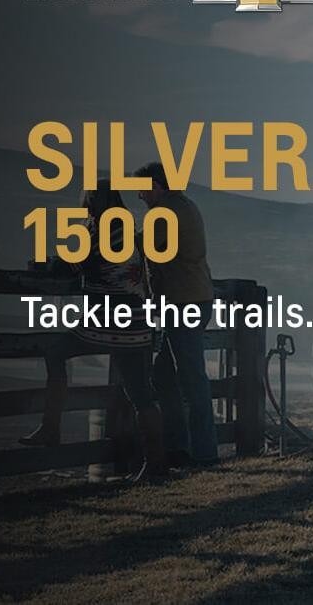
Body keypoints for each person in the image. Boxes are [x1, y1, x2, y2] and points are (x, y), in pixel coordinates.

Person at [20, 183, 168, 481]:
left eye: (86, 200)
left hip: (110, 320)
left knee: (56, 352)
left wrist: (44, 265)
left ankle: (51, 427)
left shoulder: (102, 229)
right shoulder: (127, 227)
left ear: (92, 201)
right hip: (138, 322)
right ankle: (156, 464)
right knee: (141, 394)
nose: (84, 205)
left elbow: (73, 266)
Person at [133, 162, 219, 466]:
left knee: (191, 377)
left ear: (156, 185)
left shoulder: (165, 212)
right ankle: (180, 448)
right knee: (166, 375)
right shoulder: (182, 206)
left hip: (183, 302)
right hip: (191, 299)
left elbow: (140, 246)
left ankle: (203, 453)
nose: (139, 195)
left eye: (141, 188)